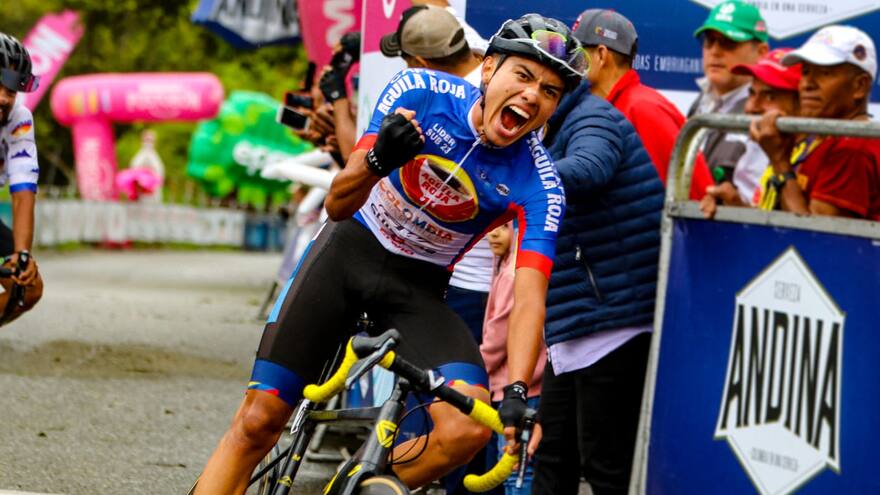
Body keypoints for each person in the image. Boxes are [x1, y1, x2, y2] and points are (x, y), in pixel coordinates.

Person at [194, 14, 586, 494]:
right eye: (523, 76)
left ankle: (346, 490)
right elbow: (339, 204)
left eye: (549, 91)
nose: (532, 95)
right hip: (348, 251)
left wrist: (519, 390)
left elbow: (530, 294)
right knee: (259, 421)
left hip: (417, 288)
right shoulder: (420, 91)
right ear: (488, 69)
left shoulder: (540, 181)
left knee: (466, 430)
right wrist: (379, 162)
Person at [528, 43, 665, 495]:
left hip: (614, 318)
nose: (528, 93)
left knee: (605, 466)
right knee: (553, 458)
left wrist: (520, 179)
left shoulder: (591, 115)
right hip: (577, 320)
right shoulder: (551, 124)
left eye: (540, 82)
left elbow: (589, 168)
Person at [380, 8, 495, 494]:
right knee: (445, 413)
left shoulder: (480, 90)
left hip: (469, 279)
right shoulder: (481, 68)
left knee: (455, 416)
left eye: (406, 62)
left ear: (423, 62)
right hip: (455, 273)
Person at [572, 8, 713, 200]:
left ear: (601, 55)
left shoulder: (642, 109)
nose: (570, 61)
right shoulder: (606, 107)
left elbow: (686, 195)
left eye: (577, 52)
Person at [751, 25, 880, 220]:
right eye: (806, 72)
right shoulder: (822, 140)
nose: (807, 84)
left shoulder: (853, 147)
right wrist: (730, 205)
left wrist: (780, 162)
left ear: (860, 86)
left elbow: (815, 239)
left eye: (825, 73)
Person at [480, 221, 545, 495]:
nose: (493, 233)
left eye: (504, 227)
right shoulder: (509, 265)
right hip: (521, 386)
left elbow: (498, 334)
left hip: (518, 388)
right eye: (492, 226)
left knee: (516, 469)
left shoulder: (512, 273)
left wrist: (475, 371)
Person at [700, 48, 801, 218]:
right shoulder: (765, 146)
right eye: (751, 94)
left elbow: (810, 237)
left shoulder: (817, 155)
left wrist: (779, 162)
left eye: (769, 97)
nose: (751, 107)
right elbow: (767, 223)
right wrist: (734, 206)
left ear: (802, 103)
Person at [689, 0, 769, 186]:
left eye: (729, 42)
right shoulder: (702, 100)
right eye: (709, 40)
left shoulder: (767, 109)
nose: (715, 51)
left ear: (762, 52)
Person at [0, 33, 43, 325]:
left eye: (12, 90)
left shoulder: (19, 118)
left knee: (28, 289)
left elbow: (23, 190)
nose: (4, 97)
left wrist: (22, 254)